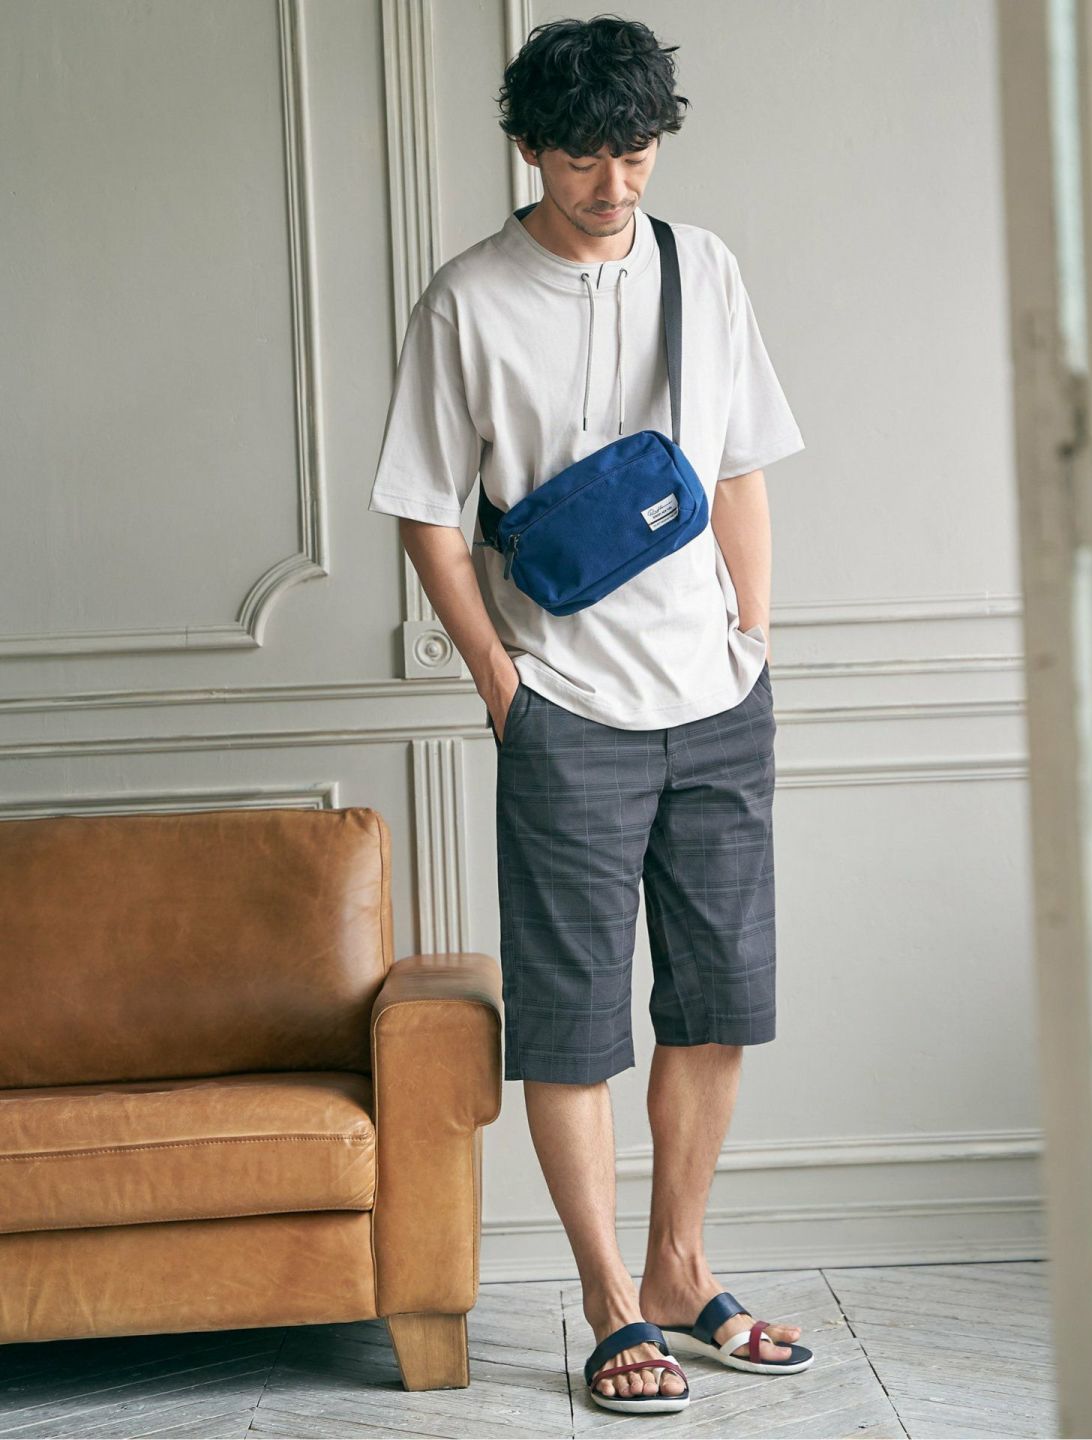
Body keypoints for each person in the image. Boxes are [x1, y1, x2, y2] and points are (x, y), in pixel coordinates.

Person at [367, 13, 813, 1416]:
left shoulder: (702, 266)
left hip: (717, 701)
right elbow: (427, 516)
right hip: (566, 710)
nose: (612, 186)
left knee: (718, 1003)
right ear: (527, 149)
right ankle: (612, 1301)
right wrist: (507, 693)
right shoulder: (467, 301)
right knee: (572, 1025)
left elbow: (738, 468)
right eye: (579, 159)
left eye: (633, 152)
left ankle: (682, 1270)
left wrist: (753, 639)